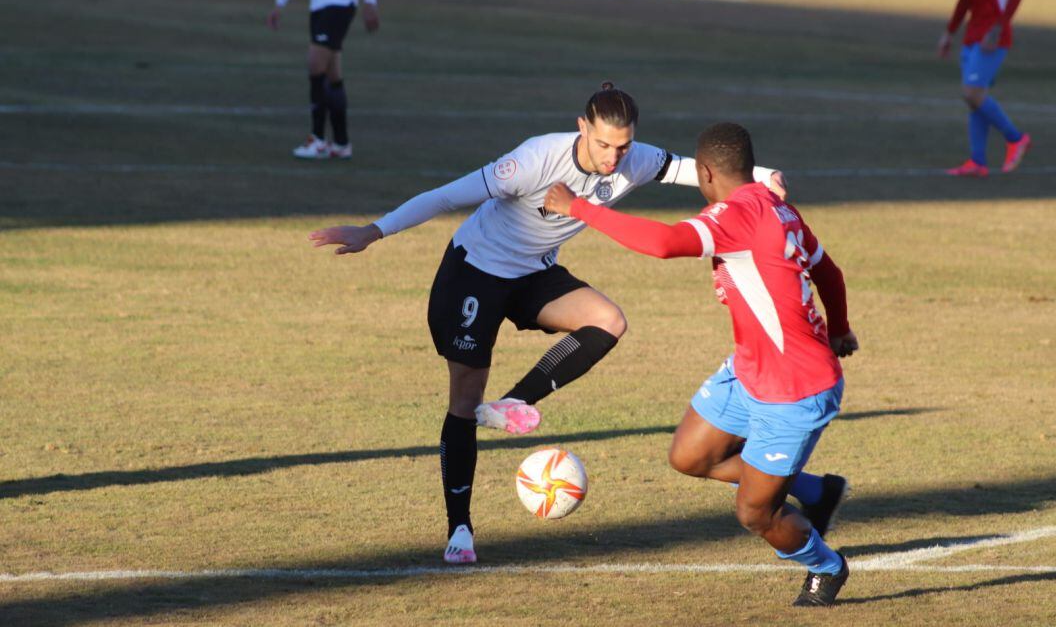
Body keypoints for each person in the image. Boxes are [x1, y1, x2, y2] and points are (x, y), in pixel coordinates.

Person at [309, 84, 786, 564]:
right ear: (583, 128)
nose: (614, 157)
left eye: (623, 146)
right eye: (603, 144)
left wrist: (765, 176)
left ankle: (516, 401)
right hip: (474, 272)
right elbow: (446, 195)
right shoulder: (535, 158)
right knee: (464, 401)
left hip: (532, 273)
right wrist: (373, 231)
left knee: (608, 320)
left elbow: (689, 168)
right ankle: (460, 528)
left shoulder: (633, 159)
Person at [543, 122, 858, 607]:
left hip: (795, 390)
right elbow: (827, 271)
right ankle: (817, 492)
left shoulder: (737, 215)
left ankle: (827, 566)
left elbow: (665, 243)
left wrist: (576, 207)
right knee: (689, 457)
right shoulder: (776, 206)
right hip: (750, 369)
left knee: (755, 513)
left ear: (706, 172)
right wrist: (838, 327)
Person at [268, 0, 380, 160]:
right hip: (318, 4)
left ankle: (317, 139)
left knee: (315, 63)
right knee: (332, 73)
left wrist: (370, 0)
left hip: (341, 1)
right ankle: (341, 143)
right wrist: (279, 3)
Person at [937, 0, 1030, 177]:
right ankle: (978, 162)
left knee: (971, 93)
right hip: (971, 36)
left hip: (992, 38)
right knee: (975, 99)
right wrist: (949, 33)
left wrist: (998, 28)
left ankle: (1015, 138)